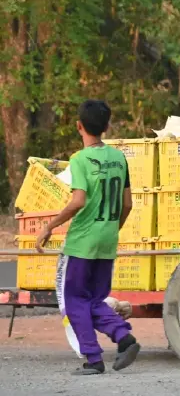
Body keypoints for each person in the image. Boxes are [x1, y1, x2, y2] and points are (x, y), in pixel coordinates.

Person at [36, 100, 141, 375]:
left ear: (79, 126)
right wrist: (110, 230)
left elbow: (78, 200)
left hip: (82, 241)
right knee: (94, 299)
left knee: (74, 300)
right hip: (108, 239)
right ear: (106, 127)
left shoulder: (80, 160)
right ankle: (123, 337)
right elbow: (127, 204)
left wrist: (50, 226)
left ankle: (94, 359)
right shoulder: (119, 158)